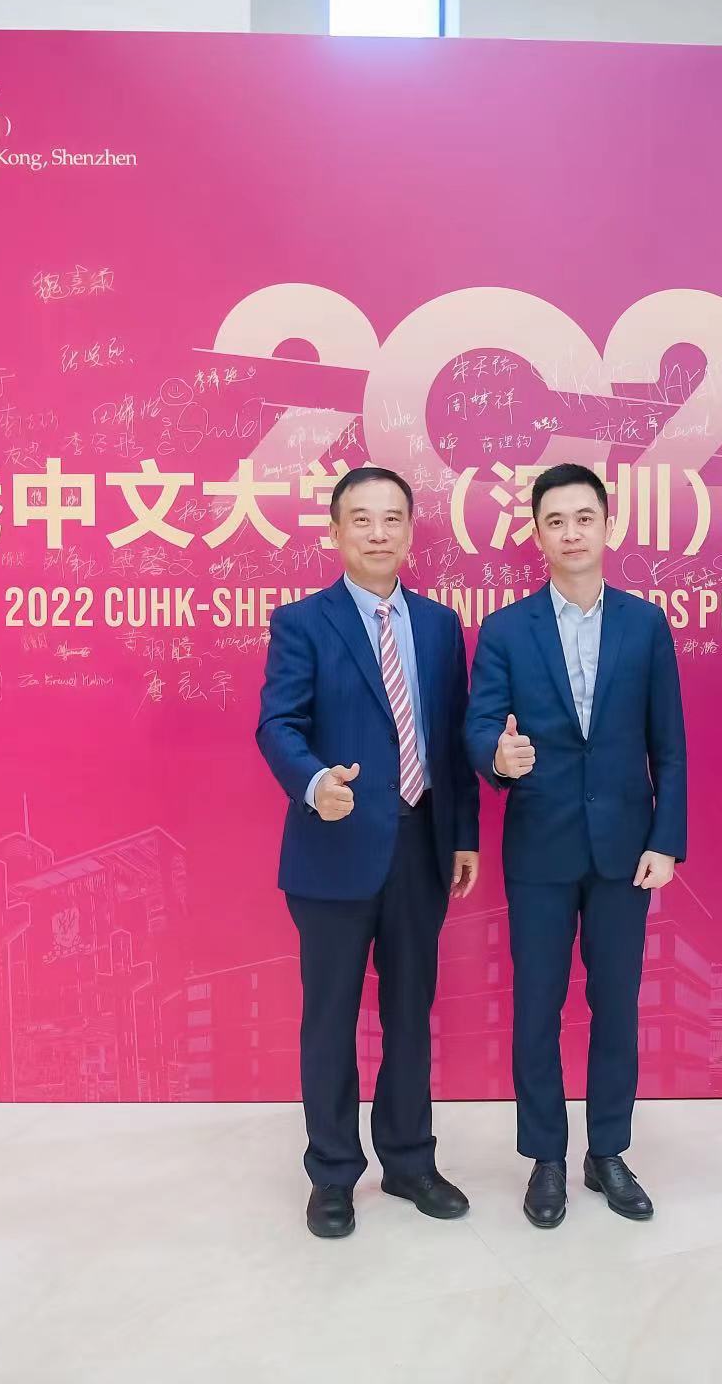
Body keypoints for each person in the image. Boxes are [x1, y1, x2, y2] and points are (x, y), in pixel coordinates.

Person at [255, 466, 480, 1239]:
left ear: (411, 530)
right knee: (330, 1020)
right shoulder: (302, 623)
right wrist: (315, 782)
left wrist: (463, 835)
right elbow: (278, 725)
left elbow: (451, 737)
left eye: (392, 519)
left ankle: (411, 1161)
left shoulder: (441, 626)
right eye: (362, 519)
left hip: (421, 846)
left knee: (410, 1014)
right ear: (335, 531)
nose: (378, 533)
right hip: (333, 848)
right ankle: (332, 1174)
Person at [466, 463, 688, 1228]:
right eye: (555, 521)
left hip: (626, 850)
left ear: (607, 526)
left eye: (583, 518)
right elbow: (479, 725)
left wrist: (667, 840)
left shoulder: (645, 625)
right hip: (541, 846)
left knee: (616, 1005)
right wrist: (499, 756)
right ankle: (546, 1159)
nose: (570, 533)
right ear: (537, 534)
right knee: (537, 1008)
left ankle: (608, 1153)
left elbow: (670, 745)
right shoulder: (506, 630)